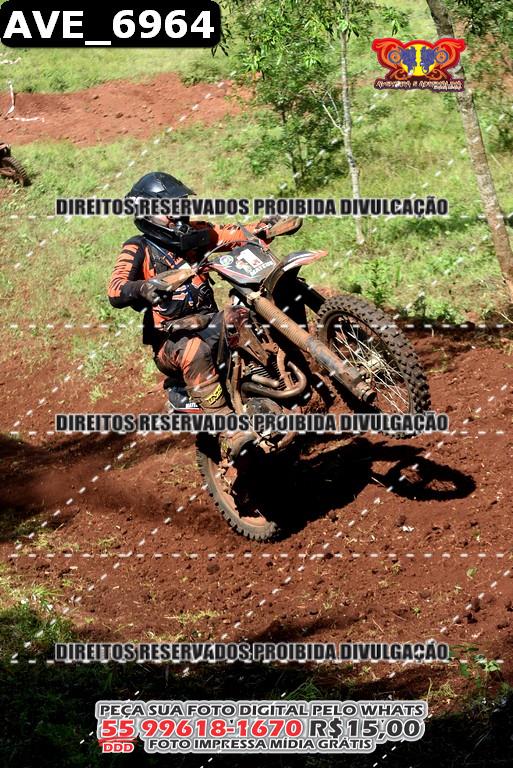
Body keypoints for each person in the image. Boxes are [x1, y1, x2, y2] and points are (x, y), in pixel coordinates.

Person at [107, 171, 278, 455]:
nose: (178, 214)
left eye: (180, 204)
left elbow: (235, 234)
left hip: (209, 322)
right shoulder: (138, 247)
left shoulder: (196, 233)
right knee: (193, 350)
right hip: (170, 341)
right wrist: (143, 288)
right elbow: (115, 288)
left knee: (242, 315)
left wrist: (266, 225)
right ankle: (229, 428)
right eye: (167, 209)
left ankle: (274, 380)